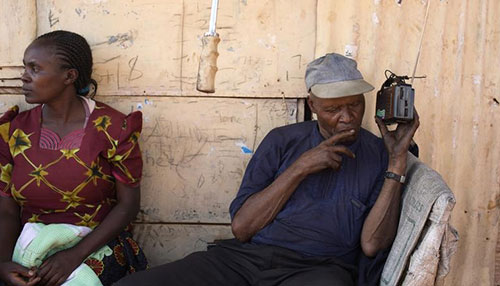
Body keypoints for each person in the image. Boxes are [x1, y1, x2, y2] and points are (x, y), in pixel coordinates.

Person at [115, 53, 419, 286]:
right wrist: (301, 167)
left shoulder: (380, 154)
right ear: (313, 105)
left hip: (320, 270)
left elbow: (371, 245)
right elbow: (243, 228)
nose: (346, 117)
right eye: (332, 109)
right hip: (246, 259)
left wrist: (396, 163)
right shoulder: (282, 141)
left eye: (354, 105)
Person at [0, 31, 148, 286]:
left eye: (34, 69)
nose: (24, 76)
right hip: (32, 245)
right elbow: (6, 210)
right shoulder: (13, 131)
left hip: (97, 245)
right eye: (25, 67)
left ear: (69, 76)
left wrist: (73, 256)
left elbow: (128, 205)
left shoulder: (113, 128)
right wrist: (3, 264)